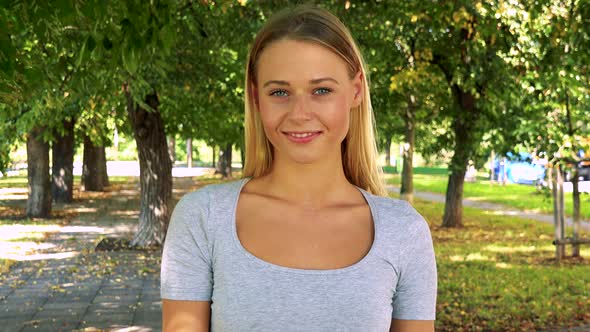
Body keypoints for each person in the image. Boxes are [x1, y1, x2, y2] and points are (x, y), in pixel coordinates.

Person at [161, 5, 437, 331]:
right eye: (280, 92)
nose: (300, 113)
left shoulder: (404, 232)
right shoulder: (203, 219)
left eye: (322, 90)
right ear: (256, 97)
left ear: (356, 90)